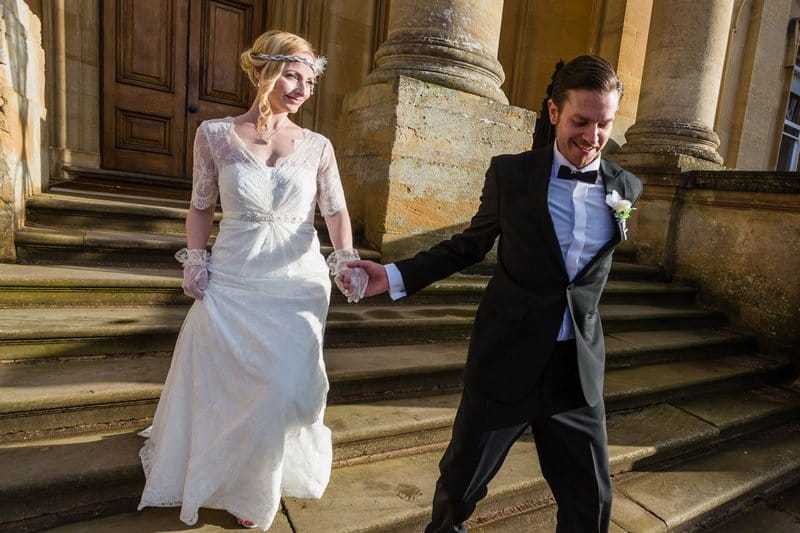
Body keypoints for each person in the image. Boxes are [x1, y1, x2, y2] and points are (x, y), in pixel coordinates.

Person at [346, 55, 642, 532]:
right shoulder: (512, 175)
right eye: (580, 122)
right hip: (508, 358)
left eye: (603, 124)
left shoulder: (626, 186)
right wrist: (395, 275)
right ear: (553, 112)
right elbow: (468, 245)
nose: (591, 137)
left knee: (592, 501)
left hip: (576, 370)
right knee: (460, 487)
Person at [137, 30, 364, 530]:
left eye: (310, 80)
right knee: (235, 385)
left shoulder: (318, 145)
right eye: (292, 75)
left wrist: (345, 260)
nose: (303, 89)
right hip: (235, 275)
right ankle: (241, 484)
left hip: (299, 279)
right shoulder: (214, 135)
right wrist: (194, 259)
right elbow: (200, 206)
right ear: (262, 72)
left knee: (285, 387)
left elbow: (336, 210)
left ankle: (261, 477)